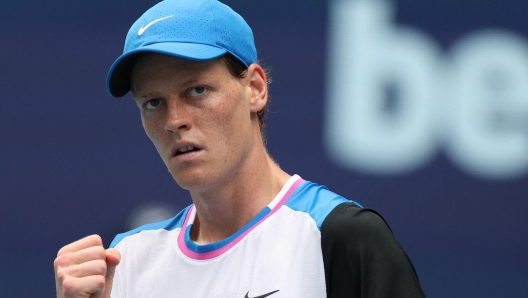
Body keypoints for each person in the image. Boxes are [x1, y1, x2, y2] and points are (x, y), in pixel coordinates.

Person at [53, 0, 426, 297]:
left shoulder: (338, 237)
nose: (173, 119)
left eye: (197, 90)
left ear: (255, 89)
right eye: (153, 102)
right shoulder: (126, 260)